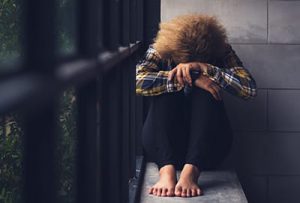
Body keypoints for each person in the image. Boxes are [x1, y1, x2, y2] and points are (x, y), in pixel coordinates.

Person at [136, 14, 257, 198]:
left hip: (208, 148)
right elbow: (136, 82)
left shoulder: (221, 49)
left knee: (206, 91)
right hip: (163, 147)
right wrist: (192, 78)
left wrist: (206, 69)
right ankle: (166, 172)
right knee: (166, 88)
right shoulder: (160, 48)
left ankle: (190, 172)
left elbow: (248, 89)